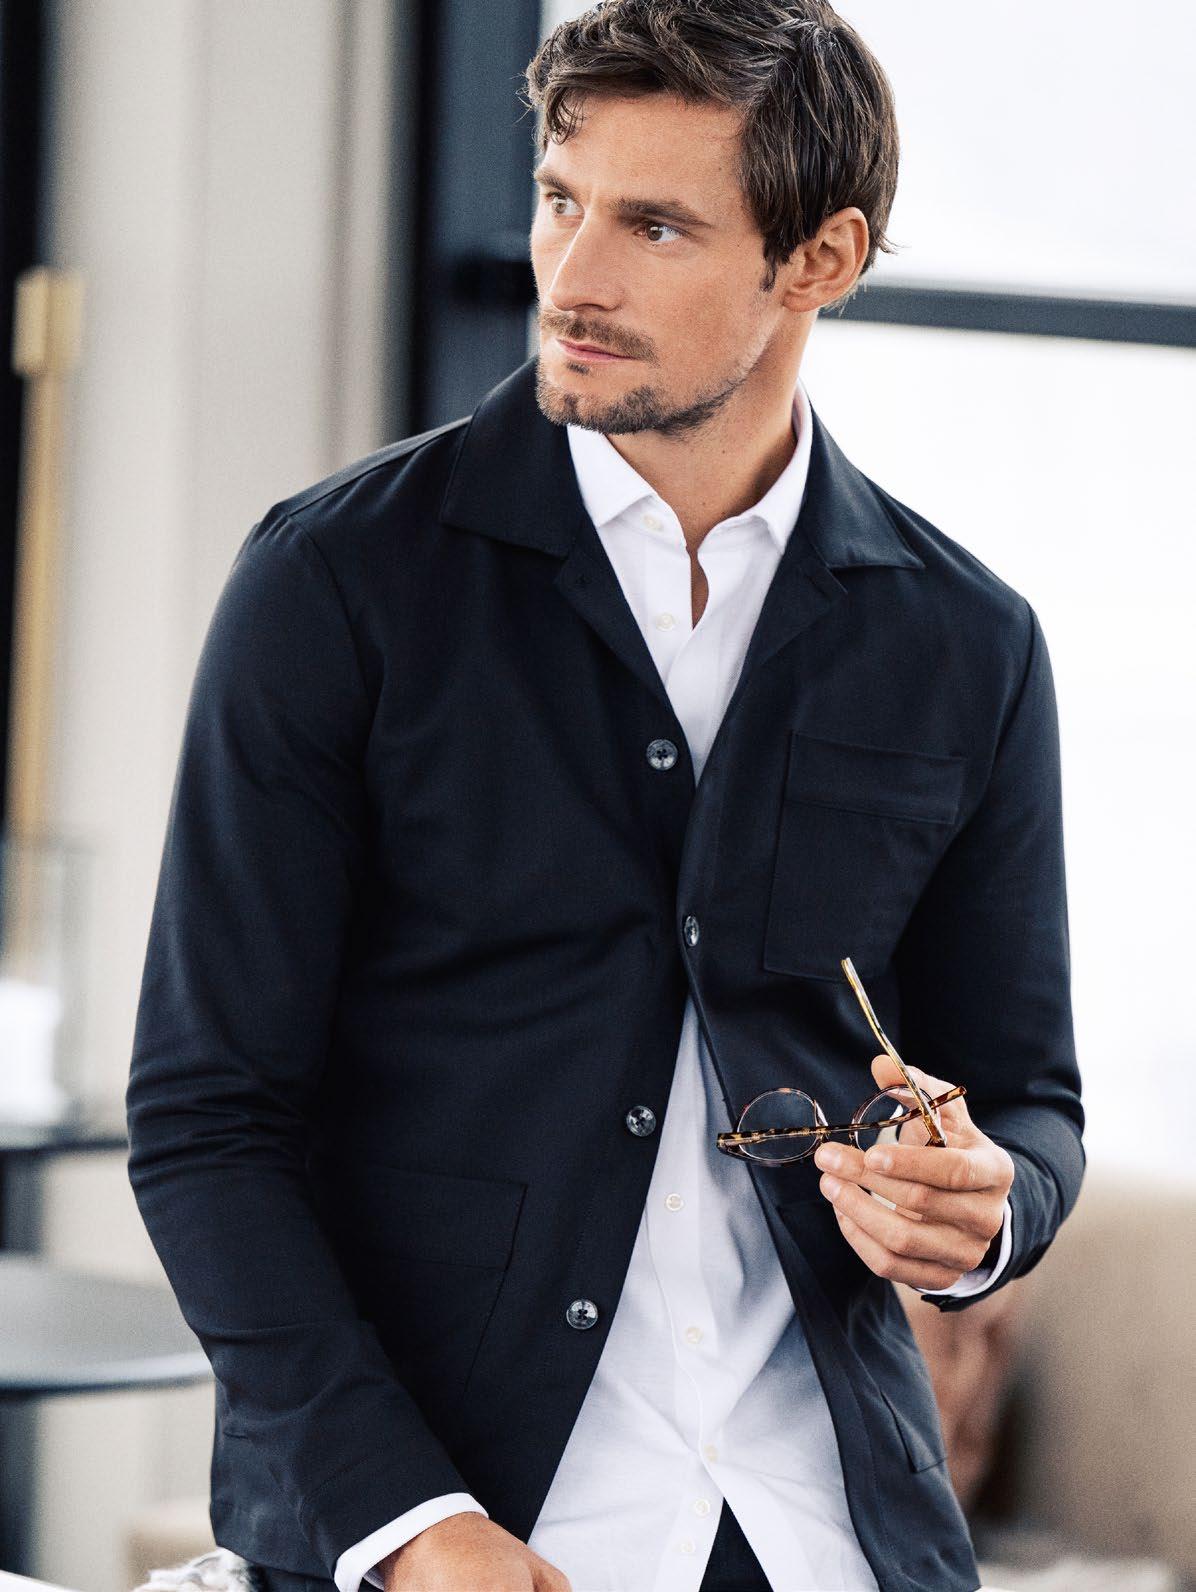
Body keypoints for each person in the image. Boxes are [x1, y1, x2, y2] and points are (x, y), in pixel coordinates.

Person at [124, 2, 1084, 1590]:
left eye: (655, 226)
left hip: (835, 1535)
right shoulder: (338, 584)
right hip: (472, 1528)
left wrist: (986, 1212)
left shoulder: (965, 640)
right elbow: (207, 1121)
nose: (572, 276)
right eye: (561, 200)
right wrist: (406, 1522)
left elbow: (1031, 1098)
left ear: (821, 259)